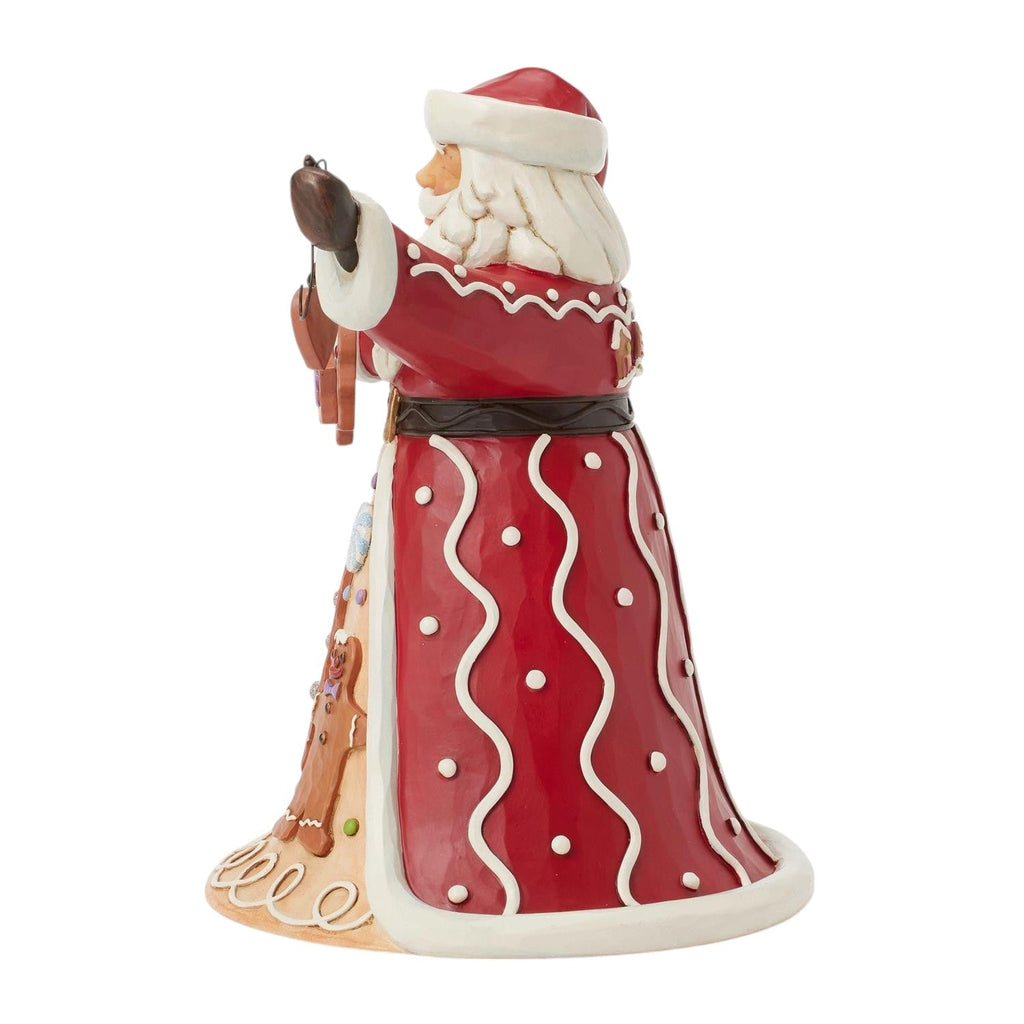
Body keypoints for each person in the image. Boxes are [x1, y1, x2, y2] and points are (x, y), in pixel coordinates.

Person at [207, 67, 812, 957]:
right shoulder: (486, 302)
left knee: (531, 696)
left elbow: (466, 322)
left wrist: (356, 239)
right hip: (430, 524)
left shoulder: (563, 310)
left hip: (536, 536)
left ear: (514, 186)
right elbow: (418, 342)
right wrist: (342, 322)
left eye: (452, 159)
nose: (432, 179)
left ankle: (539, 866)